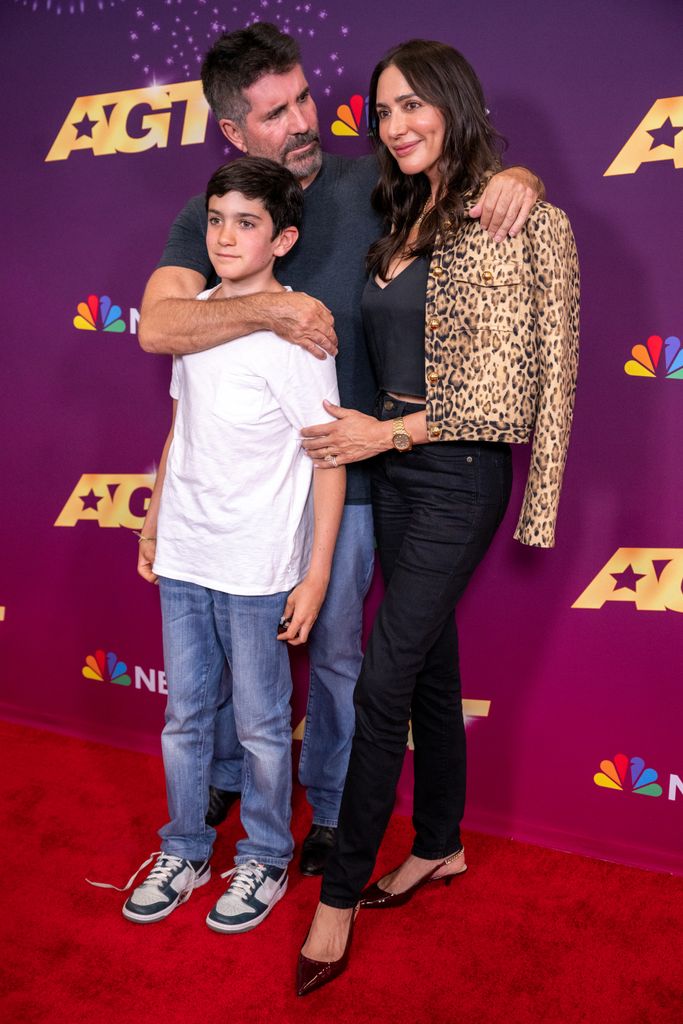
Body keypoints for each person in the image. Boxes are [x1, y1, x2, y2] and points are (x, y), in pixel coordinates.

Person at [138, 22, 544, 876]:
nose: (300, 123)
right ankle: (219, 788)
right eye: (275, 113)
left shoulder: (376, 182)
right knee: (220, 655)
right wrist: (268, 308)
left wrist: (519, 178)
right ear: (233, 131)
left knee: (335, 658)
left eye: (303, 100)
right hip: (241, 490)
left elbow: (468, 178)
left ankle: (326, 810)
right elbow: (161, 326)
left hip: (351, 476)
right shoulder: (218, 207)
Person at [296, 38, 579, 994]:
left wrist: (382, 437)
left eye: (414, 103)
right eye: (382, 111)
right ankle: (441, 845)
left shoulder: (517, 220)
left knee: (381, 685)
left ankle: (336, 901)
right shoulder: (394, 214)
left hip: (458, 478)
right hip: (398, 480)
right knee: (423, 674)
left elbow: (523, 394)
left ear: (455, 103)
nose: (397, 123)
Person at [124, 157, 345, 932]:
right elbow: (181, 426)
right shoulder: (197, 314)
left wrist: (315, 573)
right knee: (185, 717)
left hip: (256, 569)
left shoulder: (300, 331)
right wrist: (154, 517)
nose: (224, 235)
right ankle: (183, 848)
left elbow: (328, 459)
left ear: (282, 237)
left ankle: (262, 860)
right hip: (186, 555)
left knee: (258, 725)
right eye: (216, 219)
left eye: (246, 222)